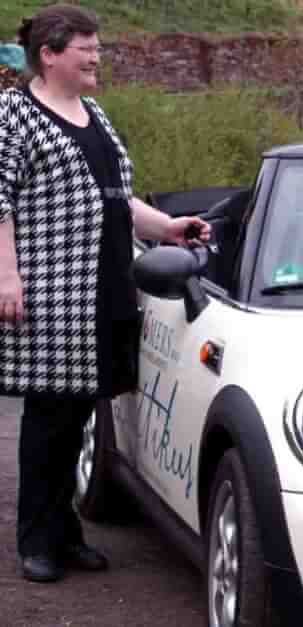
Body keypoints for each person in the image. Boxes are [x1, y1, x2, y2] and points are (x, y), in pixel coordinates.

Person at [0, 5, 209, 583]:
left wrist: (167, 226)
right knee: (49, 420)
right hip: (51, 290)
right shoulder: (13, 114)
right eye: (86, 47)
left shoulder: (92, 113)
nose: (97, 56)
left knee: (78, 418)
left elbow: (117, 196)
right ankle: (36, 543)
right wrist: (5, 276)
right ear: (49, 53)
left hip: (103, 285)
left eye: (97, 46)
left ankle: (65, 535)